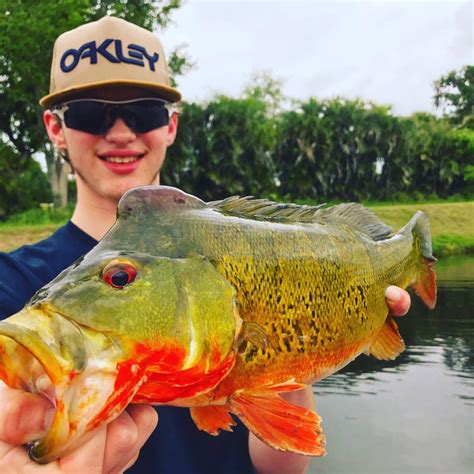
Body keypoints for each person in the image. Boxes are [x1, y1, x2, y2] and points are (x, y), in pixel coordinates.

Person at [0, 16, 411, 474]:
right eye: (90, 115)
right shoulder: (11, 287)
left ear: (171, 125)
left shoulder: (226, 249)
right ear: (55, 128)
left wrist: (297, 354)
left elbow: (279, 469)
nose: (120, 132)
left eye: (144, 112)